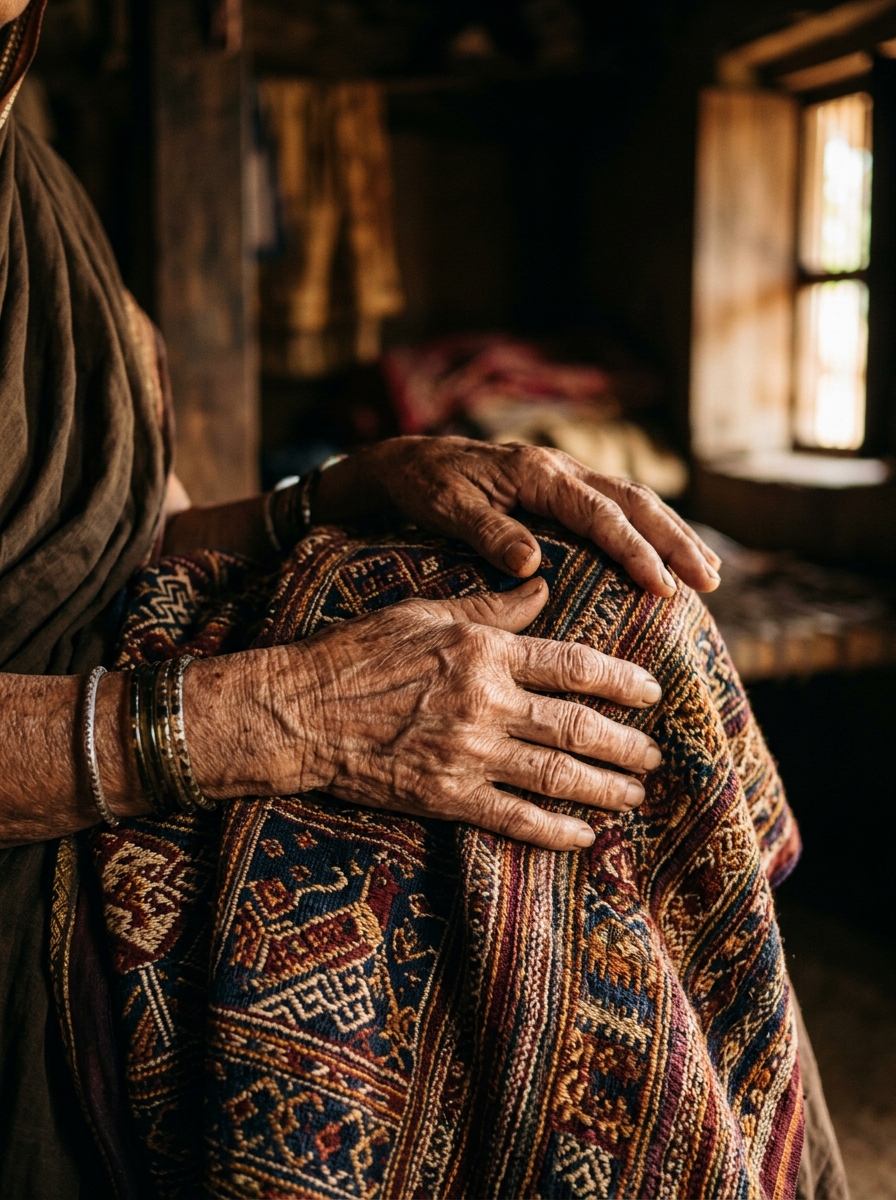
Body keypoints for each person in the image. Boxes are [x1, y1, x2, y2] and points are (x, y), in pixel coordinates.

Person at [0, 2, 847, 1198]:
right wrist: (285, 715)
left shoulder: (35, 166)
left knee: (610, 619)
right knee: (494, 869)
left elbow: (137, 537)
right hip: (47, 817)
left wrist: (340, 489)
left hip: (143, 656)